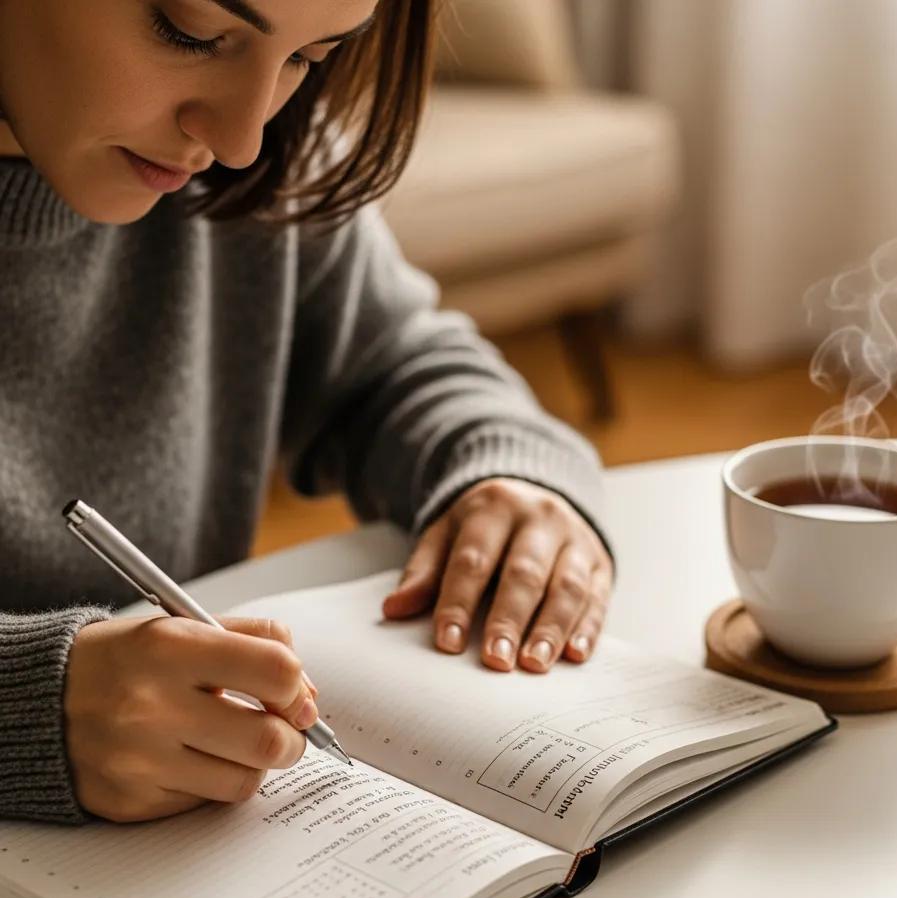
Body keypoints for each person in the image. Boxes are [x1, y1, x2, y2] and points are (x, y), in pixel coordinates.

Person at [0, 0, 614, 826]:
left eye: (308, 59)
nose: (239, 137)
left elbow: (397, 364)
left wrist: (505, 471)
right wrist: (30, 707)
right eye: (191, 33)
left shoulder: (258, 168)